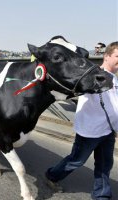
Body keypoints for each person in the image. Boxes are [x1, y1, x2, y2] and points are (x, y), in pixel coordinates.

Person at [45, 41, 118, 200]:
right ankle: (52, 175)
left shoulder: (113, 78)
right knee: (76, 161)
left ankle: (101, 195)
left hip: (108, 130)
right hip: (89, 131)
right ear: (106, 56)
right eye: (117, 56)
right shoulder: (90, 75)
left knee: (105, 165)